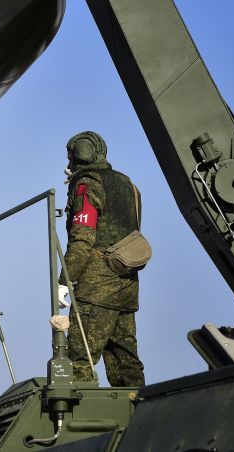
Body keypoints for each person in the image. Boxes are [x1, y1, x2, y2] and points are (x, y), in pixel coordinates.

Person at [58, 131, 145, 387]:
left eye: (70, 157)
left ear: (80, 155)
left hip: (95, 289)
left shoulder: (88, 185)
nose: (68, 163)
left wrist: (65, 279)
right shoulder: (128, 185)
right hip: (127, 286)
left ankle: (80, 412)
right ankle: (139, 408)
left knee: (79, 360)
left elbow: (82, 239)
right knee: (127, 364)